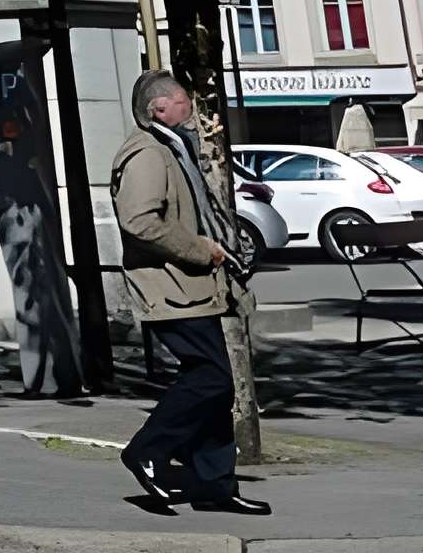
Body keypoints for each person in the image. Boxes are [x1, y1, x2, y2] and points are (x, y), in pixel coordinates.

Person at [112, 69, 270, 517]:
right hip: (171, 286)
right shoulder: (146, 153)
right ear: (159, 108)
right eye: (183, 99)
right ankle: (147, 450)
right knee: (212, 378)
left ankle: (214, 487)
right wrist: (204, 250)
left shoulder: (173, 147)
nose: (191, 107)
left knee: (218, 389)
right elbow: (140, 220)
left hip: (196, 287)